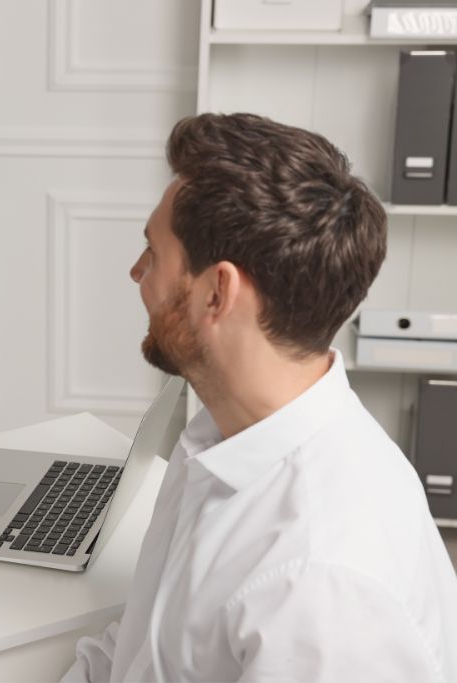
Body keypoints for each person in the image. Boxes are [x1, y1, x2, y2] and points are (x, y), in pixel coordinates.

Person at [62, 113, 457, 682]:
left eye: (153, 253)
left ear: (217, 291)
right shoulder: (225, 437)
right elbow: (145, 649)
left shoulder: (320, 582)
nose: (136, 273)